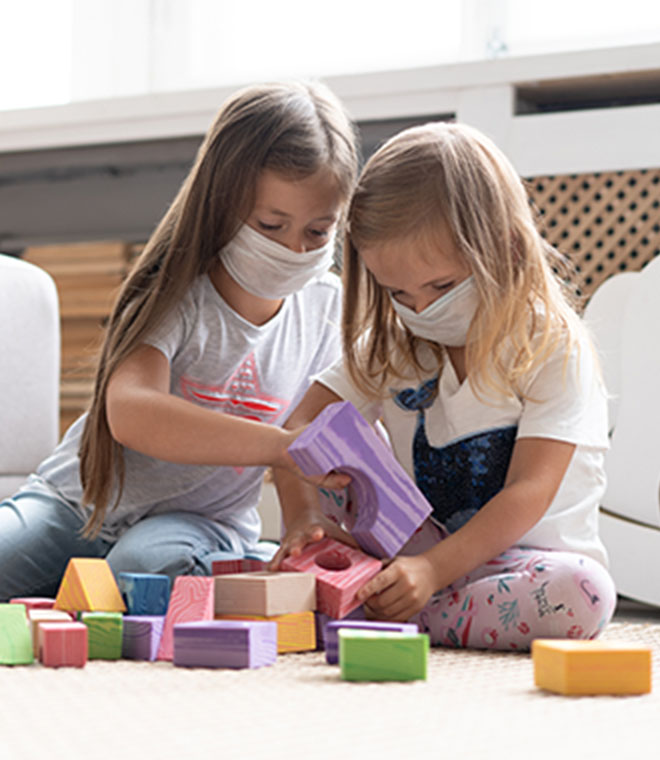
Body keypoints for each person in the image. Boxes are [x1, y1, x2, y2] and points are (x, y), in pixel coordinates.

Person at [0, 80, 358, 601]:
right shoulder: (178, 284)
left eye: (317, 232)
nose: (291, 249)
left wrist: (303, 518)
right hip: (75, 502)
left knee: (144, 569)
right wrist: (282, 447)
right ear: (223, 203)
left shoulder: (325, 306)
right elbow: (131, 411)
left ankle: (231, 568)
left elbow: (305, 436)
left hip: (198, 523)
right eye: (271, 224)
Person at [270, 121, 617, 650]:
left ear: (503, 249)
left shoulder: (549, 343)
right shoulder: (391, 342)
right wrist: (306, 519)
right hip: (414, 548)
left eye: (442, 287)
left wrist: (430, 573)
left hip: (525, 562)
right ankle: (378, 594)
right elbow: (297, 431)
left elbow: (529, 491)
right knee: (327, 453)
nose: (422, 309)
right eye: (399, 293)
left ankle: (391, 612)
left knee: (585, 594)